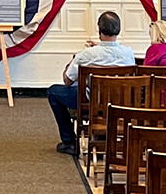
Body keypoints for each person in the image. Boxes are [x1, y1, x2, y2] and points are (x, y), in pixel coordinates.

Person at [46, 10, 135, 155]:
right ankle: (102, 134)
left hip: (91, 100)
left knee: (53, 92)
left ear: (99, 30)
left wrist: (72, 61)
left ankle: (69, 141)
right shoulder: (128, 53)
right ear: (118, 30)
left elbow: (67, 80)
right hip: (118, 101)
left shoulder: (87, 55)